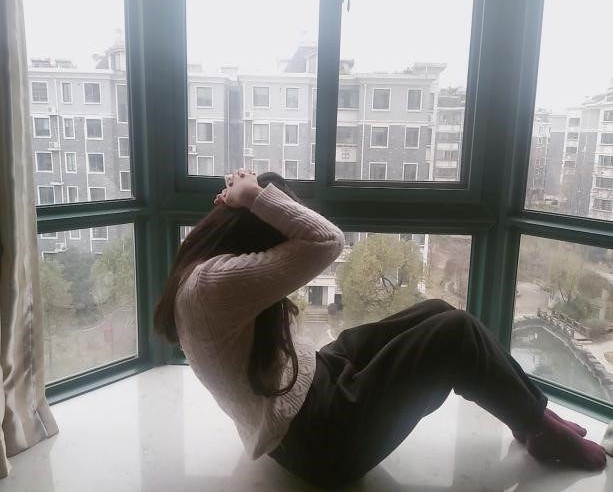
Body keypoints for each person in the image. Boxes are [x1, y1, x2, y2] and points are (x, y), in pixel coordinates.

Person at [154, 169, 607, 488]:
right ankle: (539, 427)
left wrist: (256, 195)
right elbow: (326, 240)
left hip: (311, 385)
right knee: (453, 334)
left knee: (436, 310)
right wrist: (254, 197)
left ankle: (532, 415)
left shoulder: (202, 267)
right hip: (319, 439)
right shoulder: (214, 283)